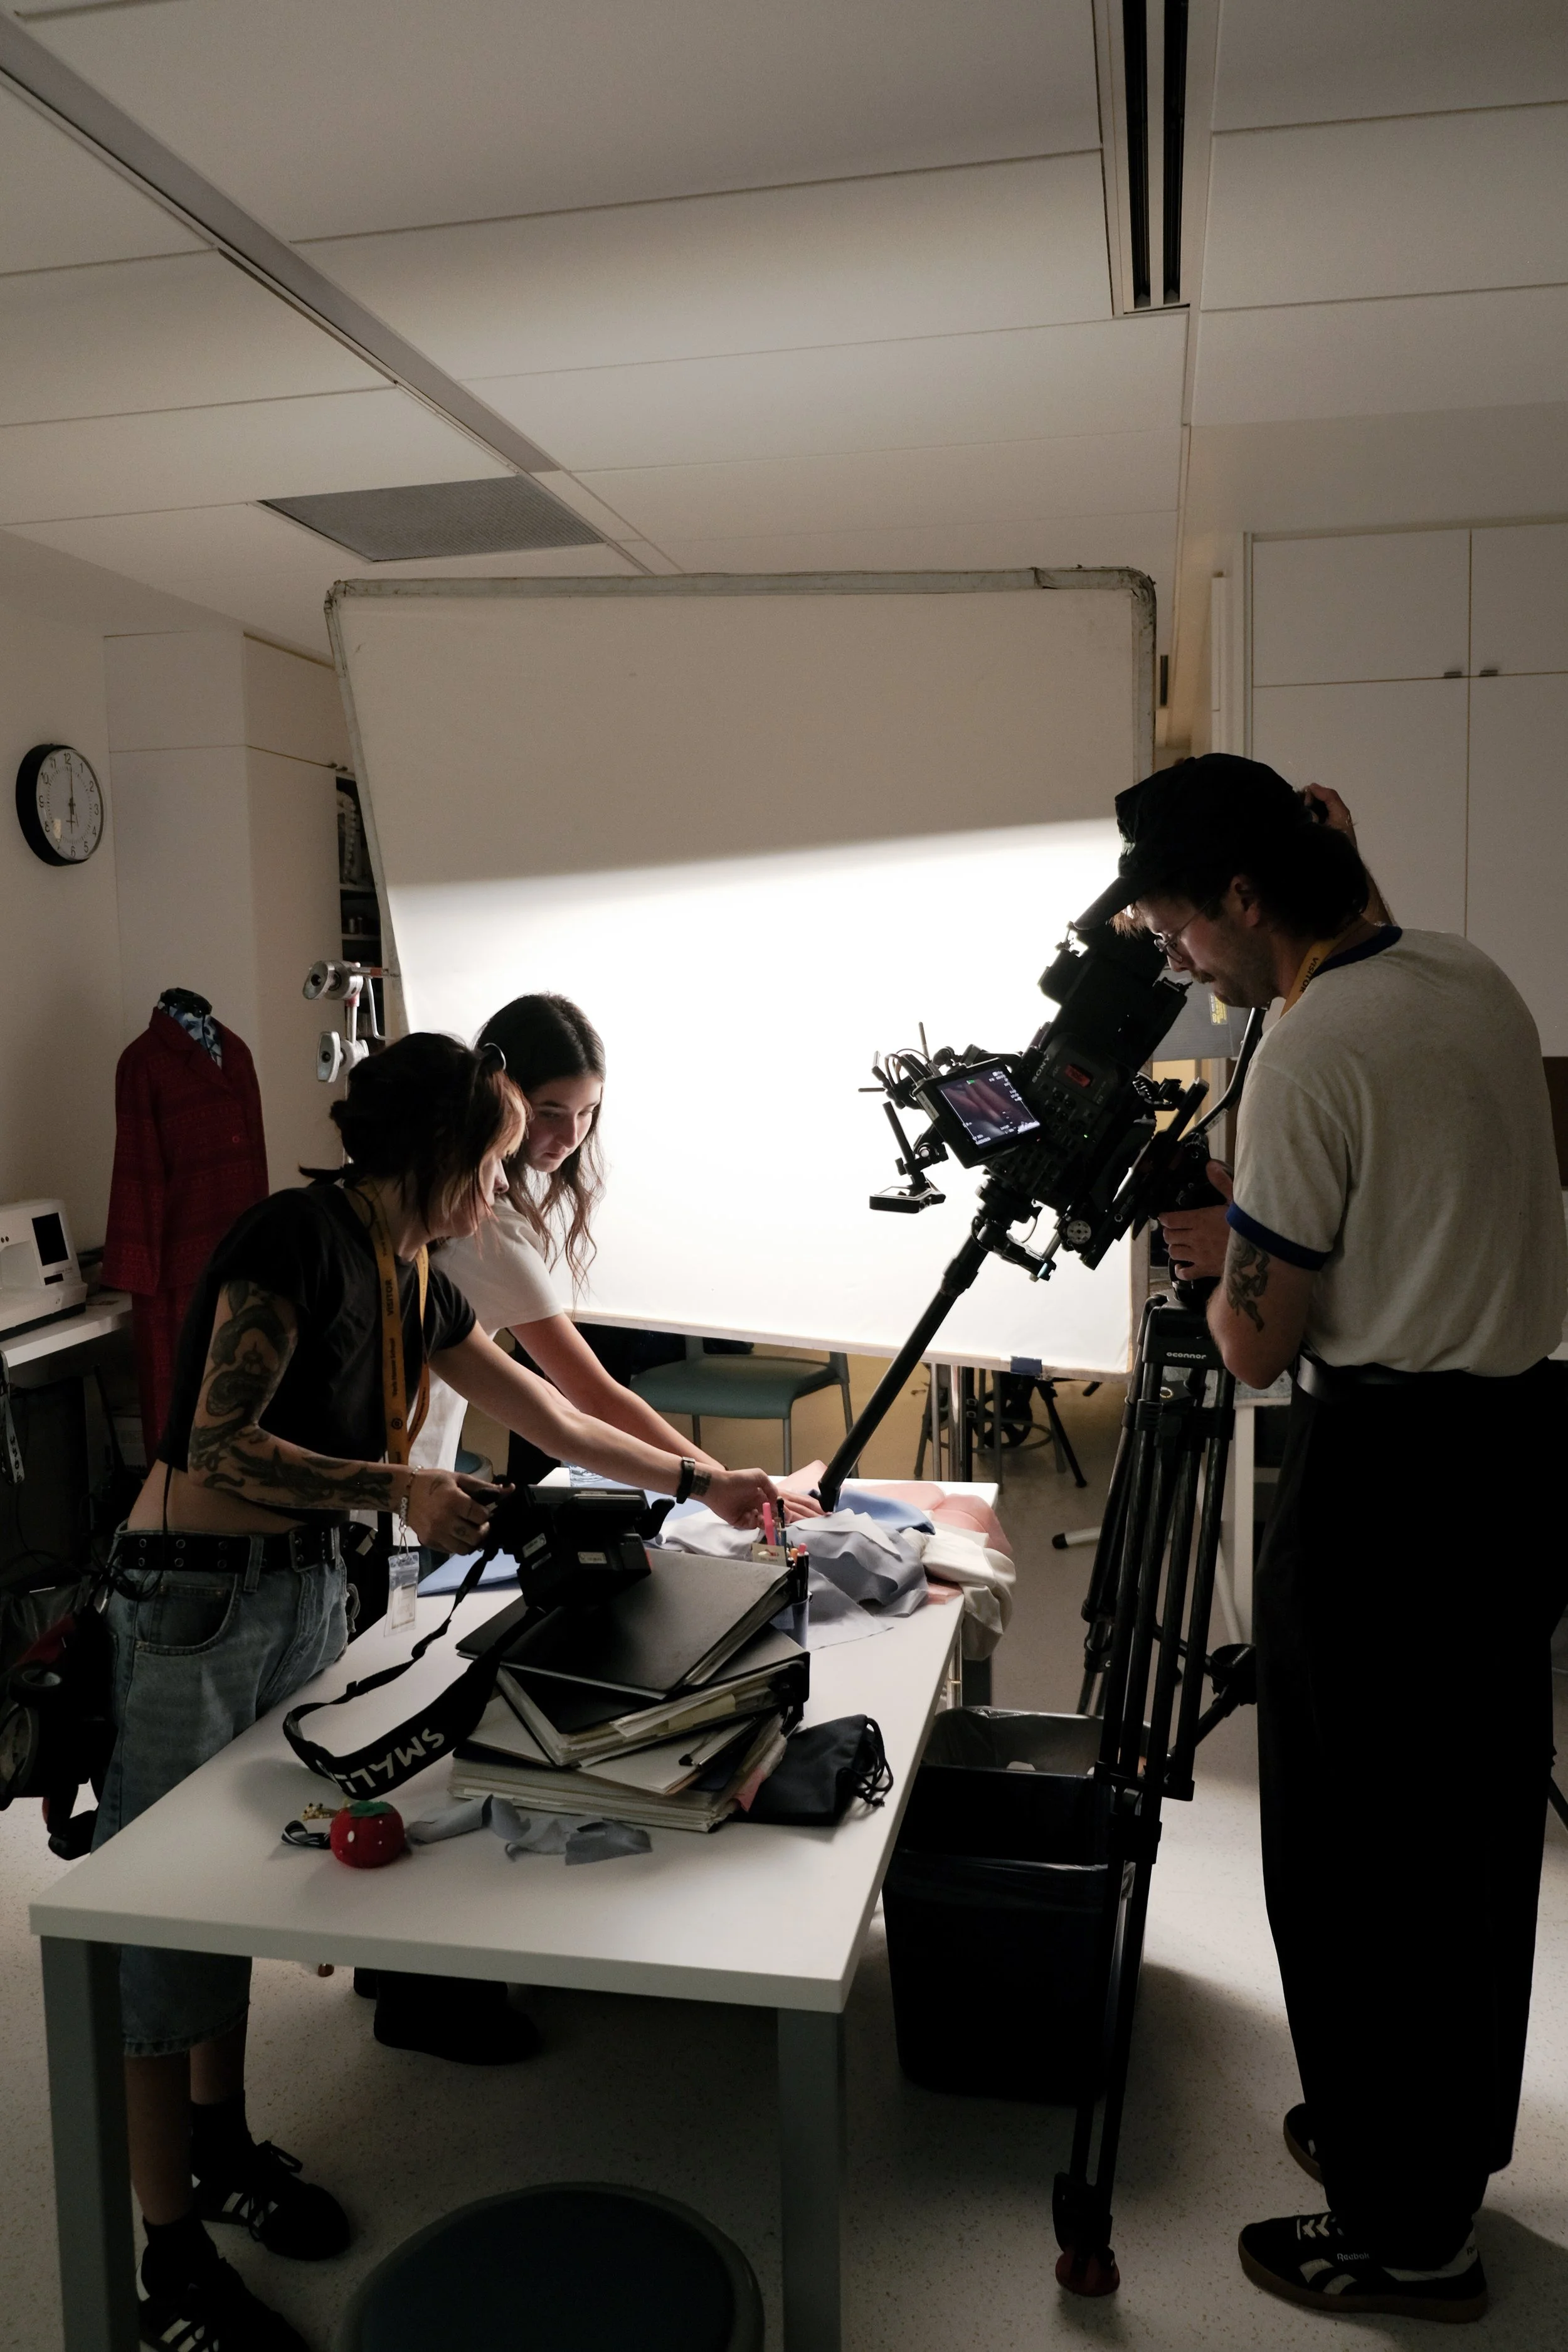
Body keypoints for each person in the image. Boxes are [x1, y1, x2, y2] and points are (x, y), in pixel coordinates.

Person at [99, 1033, 778, 2352]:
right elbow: (217, 1442)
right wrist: (395, 1486)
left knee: (233, 1883)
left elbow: (553, 1415)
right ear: (434, 1158)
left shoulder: (413, 1269)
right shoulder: (291, 1239)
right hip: (192, 1599)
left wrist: (703, 1482)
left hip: (297, 1593)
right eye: (490, 1157)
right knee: (160, 1931)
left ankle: (224, 2146)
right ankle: (167, 2252)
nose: (504, 1181)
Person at [1118, 753, 1566, 2325]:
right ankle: (1421, 2148)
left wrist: (1217, 1257)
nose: (1175, 961)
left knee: (1351, 1858)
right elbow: (1414, 1185)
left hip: (1391, 1481)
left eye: (1177, 928)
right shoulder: (1469, 979)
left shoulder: (1309, 1053)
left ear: (1242, 898)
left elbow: (1253, 1346)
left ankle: (1400, 2234)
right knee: (1460, 1839)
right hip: (1518, 1458)